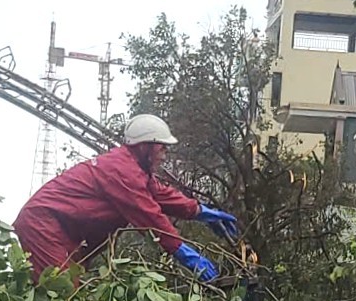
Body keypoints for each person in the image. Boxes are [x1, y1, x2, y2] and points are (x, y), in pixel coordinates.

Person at [14, 114, 238, 281]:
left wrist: (202, 212)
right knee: (60, 294)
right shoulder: (123, 172)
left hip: (64, 229)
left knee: (71, 289)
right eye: (161, 147)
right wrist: (186, 254)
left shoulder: (134, 169)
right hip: (43, 224)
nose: (164, 153)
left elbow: (162, 195)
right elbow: (150, 217)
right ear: (145, 146)